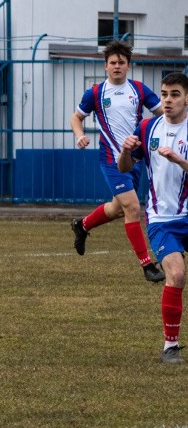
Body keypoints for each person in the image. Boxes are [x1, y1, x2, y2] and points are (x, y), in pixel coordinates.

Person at [70, 41, 164, 282]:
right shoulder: (95, 93)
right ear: (105, 66)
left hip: (134, 159)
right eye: (113, 62)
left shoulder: (140, 90)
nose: (117, 66)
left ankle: (82, 225)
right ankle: (147, 266)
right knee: (133, 208)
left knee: (116, 209)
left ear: (128, 66)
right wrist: (80, 135)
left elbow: (162, 114)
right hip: (111, 159)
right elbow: (76, 117)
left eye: (121, 62)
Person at [117, 72, 188, 363]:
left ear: (187, 99)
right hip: (161, 219)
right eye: (164, 94)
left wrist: (179, 160)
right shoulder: (148, 127)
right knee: (177, 274)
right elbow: (124, 168)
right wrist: (124, 150)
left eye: (174, 95)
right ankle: (170, 347)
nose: (167, 100)